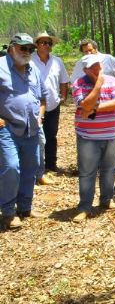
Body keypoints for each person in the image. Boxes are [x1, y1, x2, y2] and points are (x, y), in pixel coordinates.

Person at [0, 34, 47, 229]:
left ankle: (25, 207)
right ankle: (8, 212)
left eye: (30, 49)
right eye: (22, 48)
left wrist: (41, 115)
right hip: (7, 128)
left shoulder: (33, 69)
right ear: (11, 47)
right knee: (11, 167)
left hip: (32, 128)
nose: (26, 52)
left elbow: (43, 97)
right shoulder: (0, 66)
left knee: (31, 167)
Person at [72, 54, 115, 222]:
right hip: (88, 136)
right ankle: (85, 206)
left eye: (98, 65)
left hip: (111, 134)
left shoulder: (112, 80)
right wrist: (99, 85)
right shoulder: (78, 83)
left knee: (109, 169)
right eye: (92, 67)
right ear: (85, 69)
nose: (97, 69)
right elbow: (84, 105)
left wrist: (93, 109)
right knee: (87, 172)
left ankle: (106, 199)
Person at [70, 39, 115, 170]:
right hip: (88, 102)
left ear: (96, 49)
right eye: (85, 51)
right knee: (90, 136)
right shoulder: (81, 63)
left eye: (90, 50)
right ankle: (93, 164)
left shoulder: (109, 59)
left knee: (114, 134)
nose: (88, 53)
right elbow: (74, 82)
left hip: (109, 104)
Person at [32, 32, 69, 185]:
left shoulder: (57, 61)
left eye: (49, 43)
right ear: (37, 45)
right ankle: (36, 168)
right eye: (43, 42)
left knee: (51, 135)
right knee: (36, 137)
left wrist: (63, 97)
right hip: (34, 105)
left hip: (53, 104)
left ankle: (51, 165)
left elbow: (64, 80)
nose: (46, 45)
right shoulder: (30, 60)